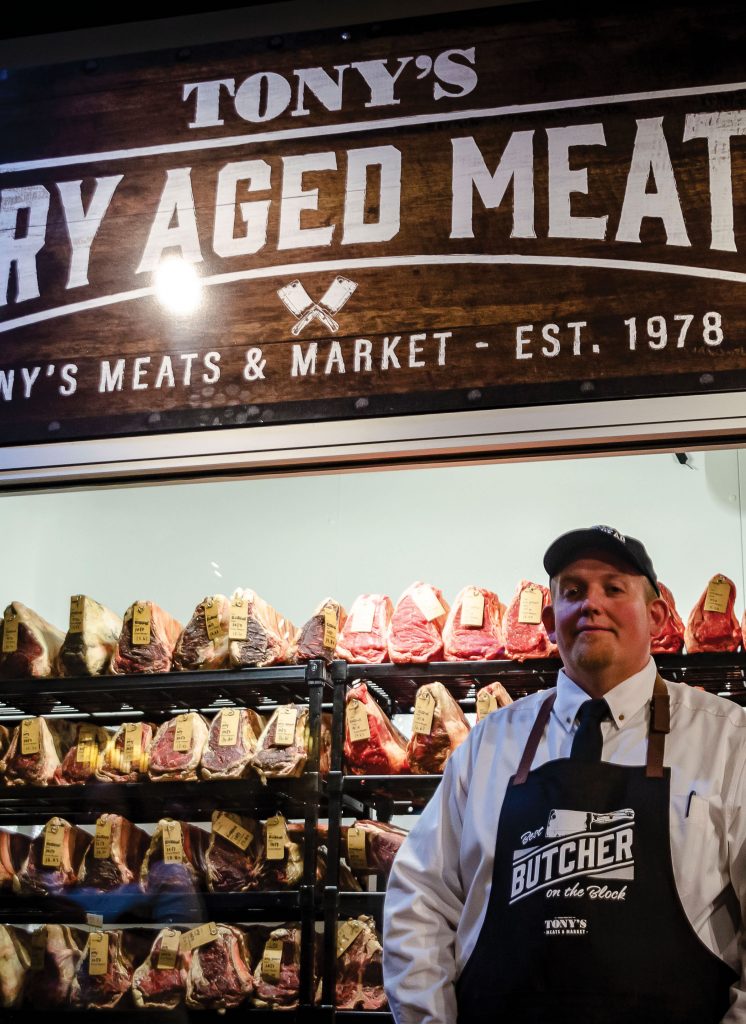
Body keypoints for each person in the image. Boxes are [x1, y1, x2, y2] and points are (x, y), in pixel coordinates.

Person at [383, 525, 746, 1023]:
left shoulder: (728, 741)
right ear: (551, 621)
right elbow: (419, 901)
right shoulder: (490, 743)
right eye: (573, 592)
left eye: (613, 588)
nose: (590, 604)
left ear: (657, 615)